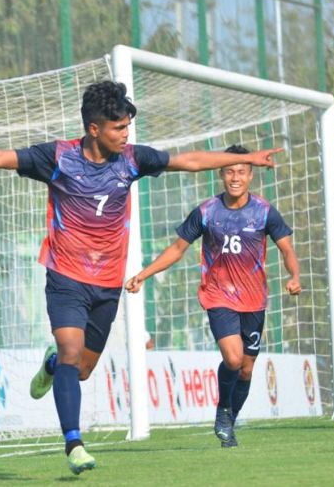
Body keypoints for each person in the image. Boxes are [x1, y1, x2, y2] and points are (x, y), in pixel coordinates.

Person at [0, 81, 281, 473]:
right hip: (65, 275)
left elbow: (189, 161)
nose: (126, 134)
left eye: (127, 126)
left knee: (79, 369)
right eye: (119, 128)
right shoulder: (58, 158)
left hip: (107, 283)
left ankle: (51, 368)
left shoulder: (132, 160)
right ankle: (73, 444)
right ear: (94, 129)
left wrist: (248, 155)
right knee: (69, 351)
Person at [125, 144, 301, 448]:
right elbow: (177, 249)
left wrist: (295, 276)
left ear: (250, 176)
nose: (235, 177)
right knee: (233, 358)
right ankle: (223, 410)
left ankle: (229, 423)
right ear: (221, 173)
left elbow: (286, 249)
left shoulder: (264, 211)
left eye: (241, 172)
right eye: (230, 171)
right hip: (218, 296)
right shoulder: (207, 211)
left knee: (246, 368)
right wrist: (143, 273)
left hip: (254, 301)